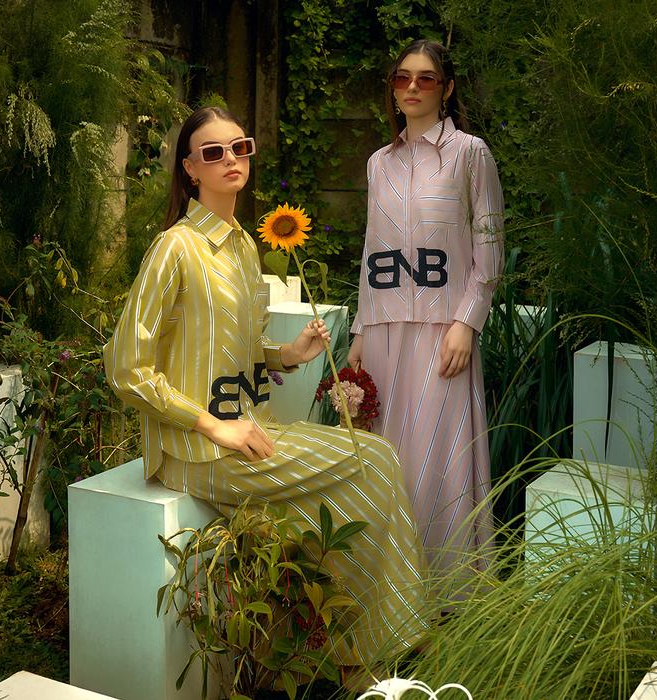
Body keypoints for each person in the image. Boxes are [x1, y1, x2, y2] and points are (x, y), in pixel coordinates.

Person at [103, 106, 428, 668]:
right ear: (189, 169)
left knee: (375, 458)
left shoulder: (243, 246)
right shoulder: (174, 248)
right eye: (213, 152)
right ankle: (378, 655)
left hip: (250, 429)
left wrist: (287, 355)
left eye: (240, 147)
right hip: (195, 449)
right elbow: (125, 367)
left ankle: (358, 650)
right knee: (371, 463)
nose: (230, 159)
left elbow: (241, 345)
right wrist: (214, 427)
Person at [348, 40, 504, 569]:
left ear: (447, 88)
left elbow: (489, 248)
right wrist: (360, 331)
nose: (412, 87)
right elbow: (371, 249)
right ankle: (388, 590)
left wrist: (468, 322)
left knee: (441, 459)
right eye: (402, 78)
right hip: (383, 329)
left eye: (425, 78)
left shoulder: (471, 154)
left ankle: (447, 591)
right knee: (386, 455)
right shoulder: (378, 163)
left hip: (444, 331)